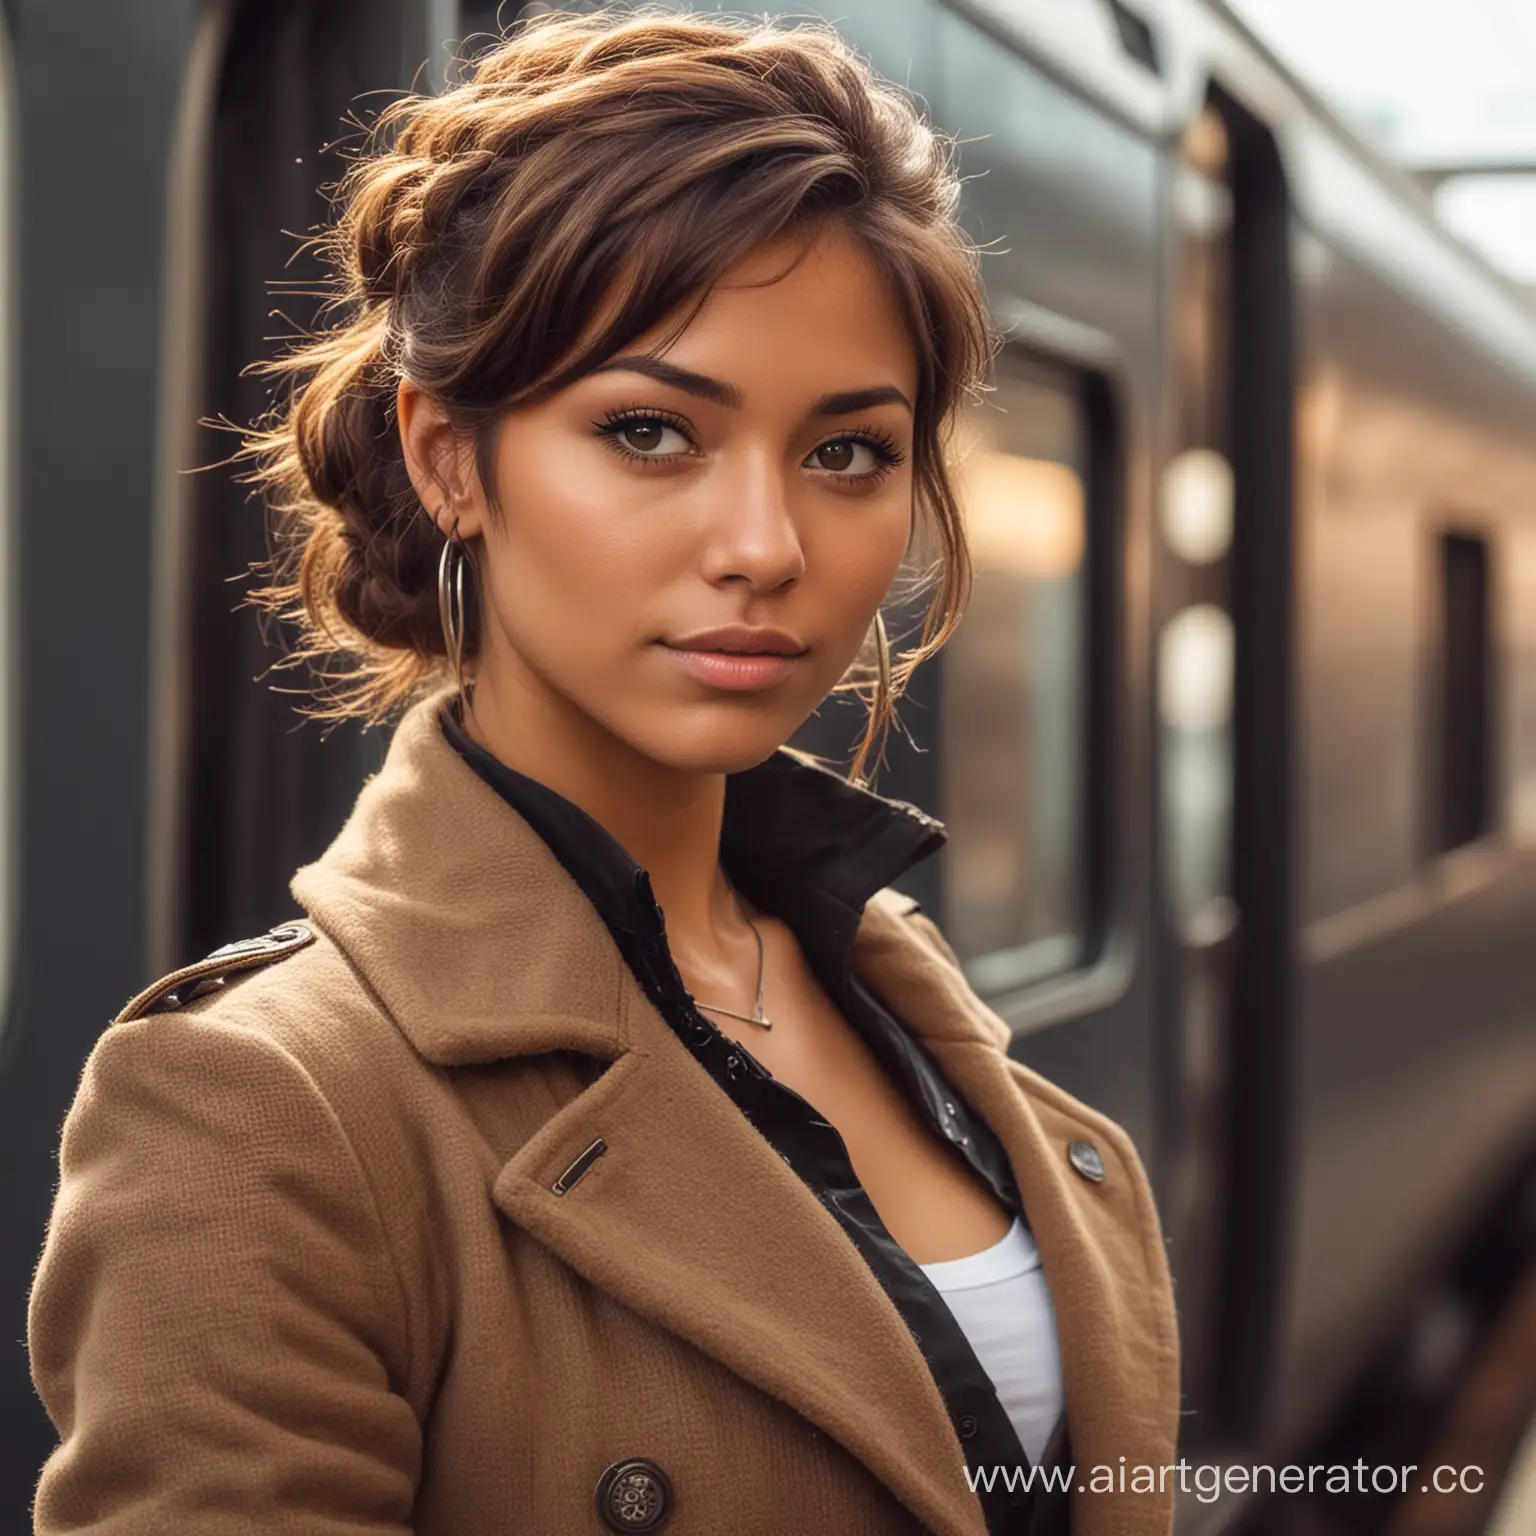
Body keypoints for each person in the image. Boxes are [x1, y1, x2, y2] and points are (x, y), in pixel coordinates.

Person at [28, 9, 1178, 1534]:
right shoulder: (259, 1108)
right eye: (651, 432)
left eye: (847, 453)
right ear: (450, 459)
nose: (766, 547)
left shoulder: (884, 987)